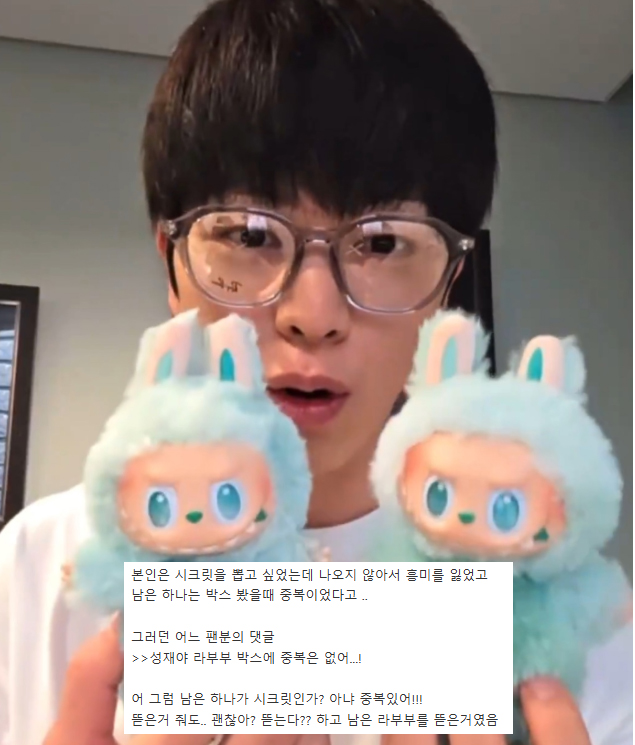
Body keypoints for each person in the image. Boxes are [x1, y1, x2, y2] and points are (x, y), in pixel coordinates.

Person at [0, 1, 631, 744]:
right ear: (172, 261)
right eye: (249, 234)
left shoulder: (563, 615)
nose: (314, 313)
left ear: (446, 287)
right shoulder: (41, 563)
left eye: (385, 243)